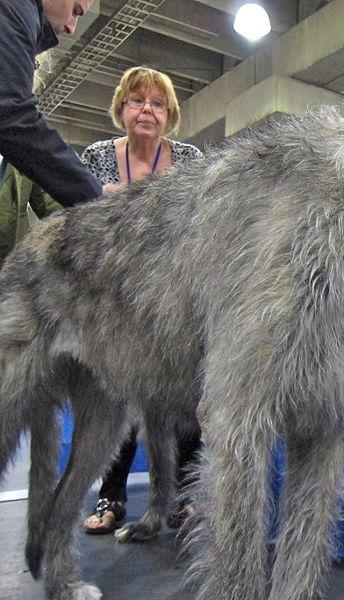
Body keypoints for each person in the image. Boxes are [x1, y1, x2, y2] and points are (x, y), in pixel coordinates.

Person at [80, 66, 203, 534]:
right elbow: (81, 224)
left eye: (157, 103)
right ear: (121, 108)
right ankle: (111, 497)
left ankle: (184, 498)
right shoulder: (97, 158)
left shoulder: (189, 158)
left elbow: (199, 224)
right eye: (137, 101)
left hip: (175, 297)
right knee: (119, 395)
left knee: (186, 398)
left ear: (170, 114)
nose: (146, 110)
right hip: (115, 297)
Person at [0, 0, 101, 205]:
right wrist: (97, 199)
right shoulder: (15, 10)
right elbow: (12, 115)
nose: (71, 27)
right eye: (75, 11)